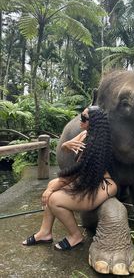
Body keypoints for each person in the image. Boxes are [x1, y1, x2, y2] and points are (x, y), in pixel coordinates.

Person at [22, 106, 117, 251]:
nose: (81, 120)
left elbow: (74, 173)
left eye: (84, 118)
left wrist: (51, 190)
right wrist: (66, 144)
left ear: (94, 122)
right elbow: (65, 149)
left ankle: (75, 236)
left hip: (102, 185)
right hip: (88, 180)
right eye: (81, 116)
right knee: (52, 184)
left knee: (54, 199)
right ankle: (45, 232)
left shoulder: (95, 144)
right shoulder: (85, 134)